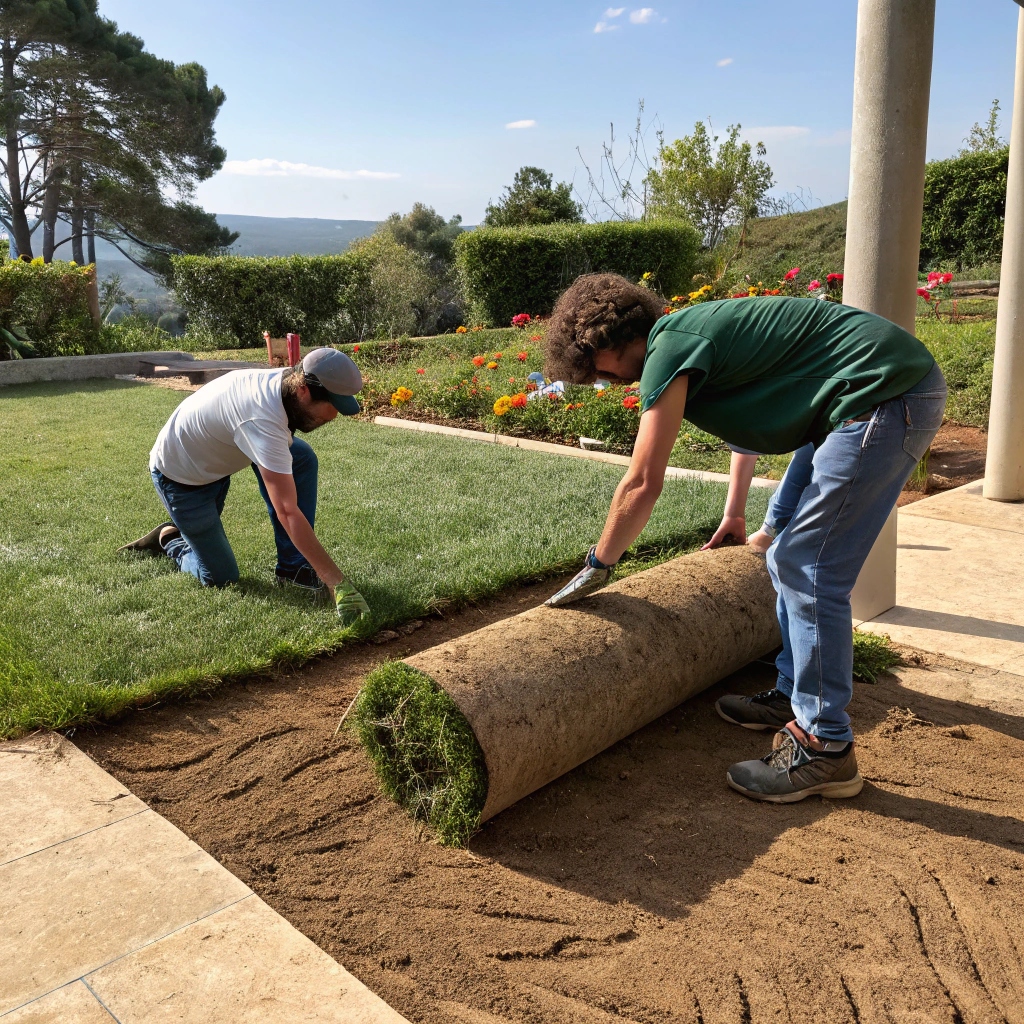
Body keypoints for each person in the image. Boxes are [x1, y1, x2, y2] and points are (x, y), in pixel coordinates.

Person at [543, 273, 946, 803]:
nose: (603, 381)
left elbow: (642, 481)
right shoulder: (690, 336)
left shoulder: (669, 348)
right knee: (783, 556)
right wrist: (737, 514)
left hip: (883, 397)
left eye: (597, 369)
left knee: (808, 567)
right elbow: (749, 420)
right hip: (862, 399)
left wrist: (599, 563)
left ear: (609, 341)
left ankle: (824, 745)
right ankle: (793, 695)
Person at [120, 347, 371, 625]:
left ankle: (293, 569)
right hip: (183, 479)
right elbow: (287, 511)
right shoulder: (261, 418)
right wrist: (337, 582)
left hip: (218, 455)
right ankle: (170, 539)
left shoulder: (286, 386)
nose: (334, 416)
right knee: (220, 577)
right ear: (303, 389)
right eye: (332, 405)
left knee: (301, 458)